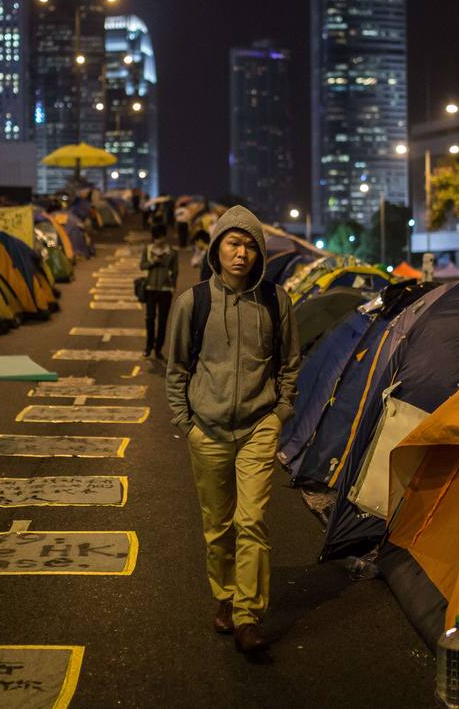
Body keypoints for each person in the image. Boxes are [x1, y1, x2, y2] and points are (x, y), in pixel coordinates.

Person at [165, 206, 300, 654]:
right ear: (217, 247)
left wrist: (279, 413)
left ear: (259, 253)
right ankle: (223, 596)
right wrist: (188, 424)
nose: (241, 254)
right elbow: (177, 369)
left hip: (259, 426)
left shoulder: (276, 302)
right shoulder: (193, 302)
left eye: (249, 246)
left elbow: (289, 365)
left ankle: (246, 614)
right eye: (233, 244)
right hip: (207, 429)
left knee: (253, 521)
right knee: (218, 526)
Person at [139, 223, 178, 361]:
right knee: (150, 318)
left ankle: (158, 349)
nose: (158, 240)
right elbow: (142, 265)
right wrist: (152, 262)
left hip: (165, 290)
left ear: (164, 237)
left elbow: (175, 271)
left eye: (160, 237)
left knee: (162, 321)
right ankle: (148, 346)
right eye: (156, 238)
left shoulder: (171, 252)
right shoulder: (148, 250)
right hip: (150, 288)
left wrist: (172, 287)